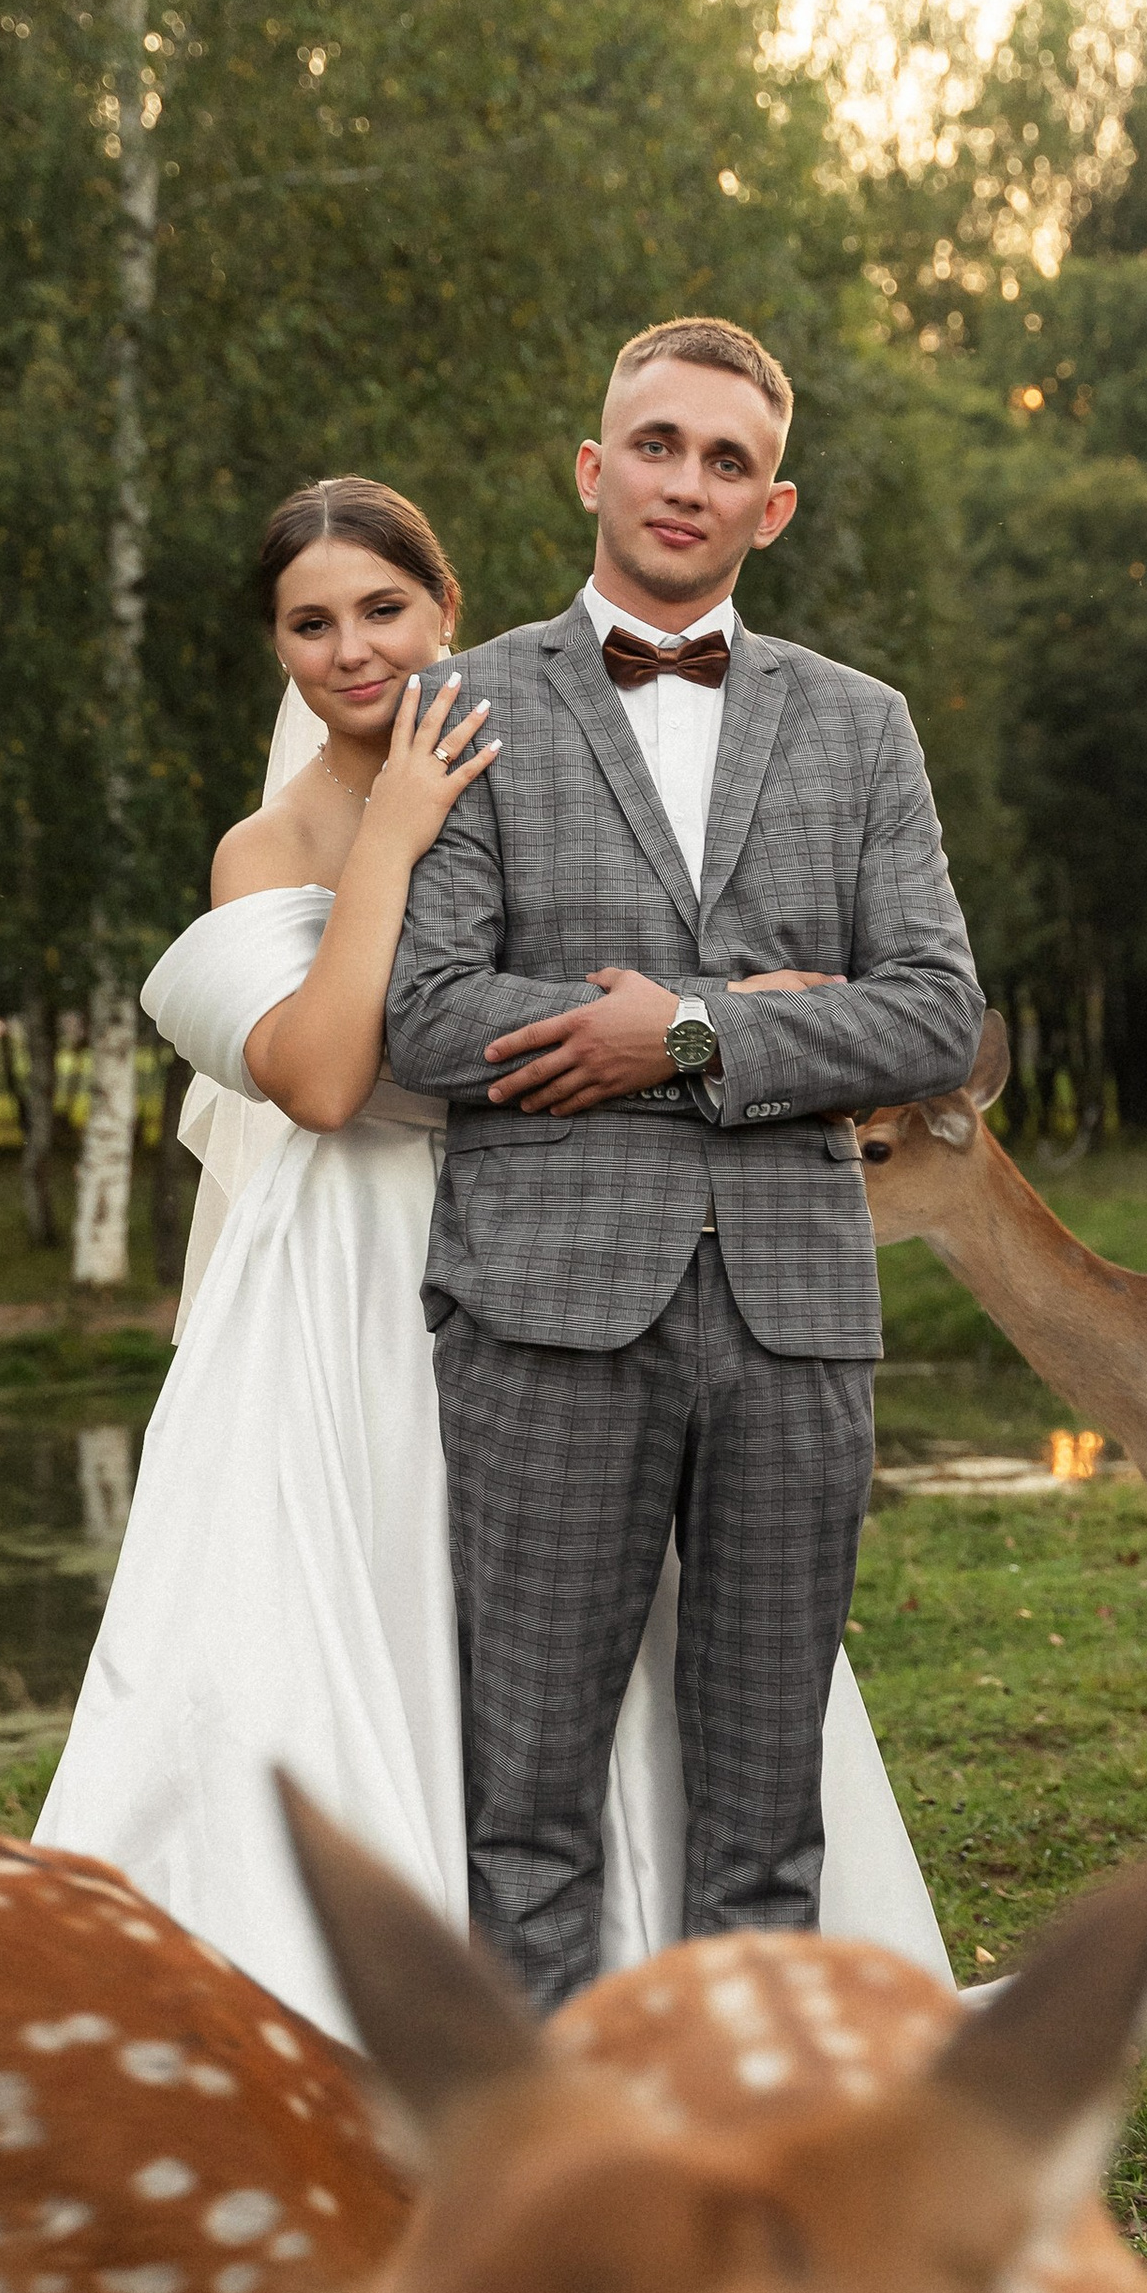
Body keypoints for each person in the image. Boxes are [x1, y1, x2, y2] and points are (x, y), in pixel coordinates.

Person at [33, 472, 951, 2036]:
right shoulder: (270, 846)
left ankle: (684, 2017)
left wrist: (717, 1017)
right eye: (309, 623)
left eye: (382, 610)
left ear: (445, 611)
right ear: (275, 647)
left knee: (648, 1686)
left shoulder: (564, 753)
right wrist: (390, 838)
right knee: (371, 1652)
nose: (351, 651)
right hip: (357, 1279)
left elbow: (683, 983)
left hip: (575, 1251)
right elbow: (327, 1078)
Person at [385, 320, 985, 2009]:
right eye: (658, 445)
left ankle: (740, 2188)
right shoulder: (469, 700)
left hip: (797, 1321)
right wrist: (720, 1026)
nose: (687, 483)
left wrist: (698, 1034)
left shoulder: (862, 728)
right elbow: (425, 1015)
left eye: (728, 461)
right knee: (529, 1812)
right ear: (594, 468)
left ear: (771, 507)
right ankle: (552, 2206)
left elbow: (941, 1015)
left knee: (761, 1817)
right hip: (542, 1316)